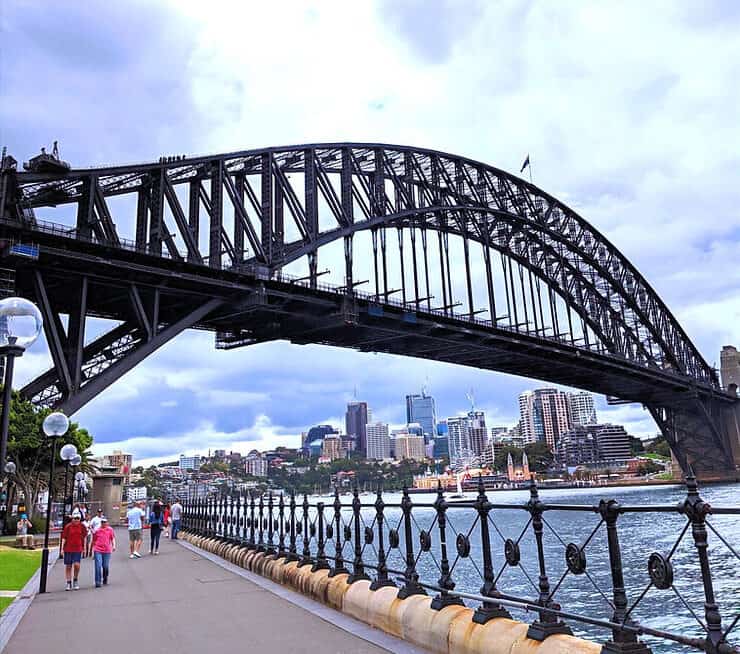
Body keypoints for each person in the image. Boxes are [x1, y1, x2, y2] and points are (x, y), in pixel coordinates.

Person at [61, 509, 87, 590]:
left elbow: (84, 537)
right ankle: (68, 582)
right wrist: (62, 549)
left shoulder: (82, 526)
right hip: (68, 548)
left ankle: (75, 579)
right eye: (75, 518)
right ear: (72, 518)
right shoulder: (68, 526)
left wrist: (85, 548)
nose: (76, 520)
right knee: (68, 566)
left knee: (77, 565)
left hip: (78, 548)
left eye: (78, 518)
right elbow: (64, 538)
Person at [92, 516, 116, 587]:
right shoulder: (97, 530)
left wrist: (114, 545)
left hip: (107, 550)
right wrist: (92, 550)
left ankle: (105, 577)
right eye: (102, 522)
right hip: (98, 549)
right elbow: (94, 540)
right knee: (98, 566)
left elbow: (112, 538)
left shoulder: (110, 530)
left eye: (105, 522)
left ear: (107, 523)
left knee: (105, 566)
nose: (103, 523)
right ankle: (97, 581)